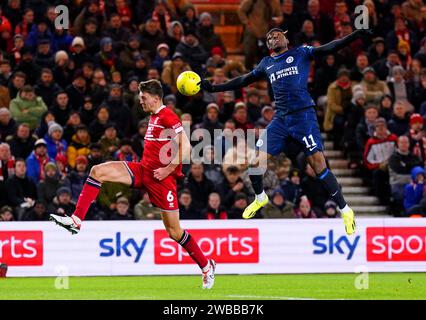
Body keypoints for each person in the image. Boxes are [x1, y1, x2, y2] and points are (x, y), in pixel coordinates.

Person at [200, 27, 374, 235]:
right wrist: (214, 88)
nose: (272, 38)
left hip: (303, 117)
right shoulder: (267, 63)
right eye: (268, 37)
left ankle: (345, 210)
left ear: (286, 37)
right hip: (281, 120)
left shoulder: (301, 53)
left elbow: (330, 48)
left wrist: (355, 35)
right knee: (255, 163)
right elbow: (243, 80)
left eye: (276, 35)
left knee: (318, 165)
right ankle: (260, 198)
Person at [49, 79, 216, 289]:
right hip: (144, 170)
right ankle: (76, 221)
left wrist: (167, 169)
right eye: (139, 97)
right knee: (97, 171)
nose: (140, 101)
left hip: (162, 180)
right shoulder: (154, 117)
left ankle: (206, 265)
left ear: (156, 98)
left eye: (143, 97)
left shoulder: (167, 115)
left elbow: (187, 148)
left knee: (174, 232)